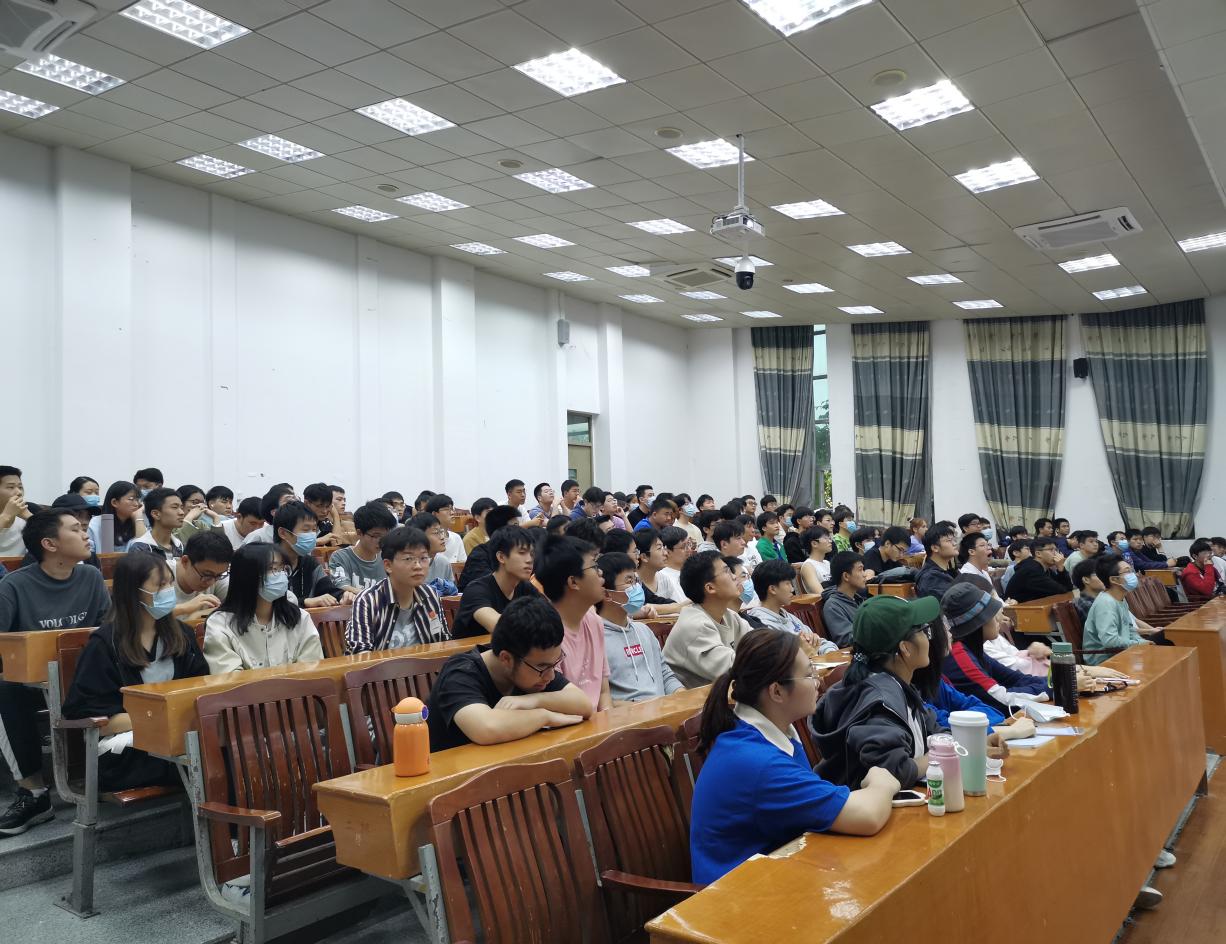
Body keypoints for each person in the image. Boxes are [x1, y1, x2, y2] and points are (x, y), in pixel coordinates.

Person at [690, 627, 897, 883]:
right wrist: (882, 782)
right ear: (776, 691)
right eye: (808, 674)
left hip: (777, 873)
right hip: (740, 896)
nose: (818, 681)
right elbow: (867, 816)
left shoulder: (772, 731)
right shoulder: (757, 762)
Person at [814, 595, 1003, 789]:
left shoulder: (898, 686)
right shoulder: (880, 702)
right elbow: (894, 772)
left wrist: (976, 743)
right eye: (924, 631)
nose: (929, 638)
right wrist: (937, 754)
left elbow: (936, 730)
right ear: (905, 648)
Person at [0, 509, 111, 835]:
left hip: (84, 677)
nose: (85, 534)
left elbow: (107, 631)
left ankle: (110, 772)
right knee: (4, 690)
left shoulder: (90, 577)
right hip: (30, 684)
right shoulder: (14, 586)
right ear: (49, 544)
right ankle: (33, 792)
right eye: (75, 529)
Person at [62, 553, 209, 792]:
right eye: (160, 585)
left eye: (170, 583)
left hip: (177, 735)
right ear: (133, 592)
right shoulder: (104, 644)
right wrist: (160, 720)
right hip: (123, 749)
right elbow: (94, 719)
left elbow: (200, 689)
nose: (168, 591)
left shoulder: (182, 635)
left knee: (224, 749)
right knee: (207, 758)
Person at [426, 595, 593, 751]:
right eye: (543, 667)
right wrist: (545, 716)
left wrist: (533, 700)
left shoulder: (533, 669)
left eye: (554, 665)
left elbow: (583, 704)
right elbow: (486, 728)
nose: (550, 676)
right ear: (506, 659)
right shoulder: (460, 672)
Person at [203, 543, 324, 673]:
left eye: (283, 568)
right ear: (247, 576)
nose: (281, 575)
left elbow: (312, 672)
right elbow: (230, 680)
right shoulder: (220, 624)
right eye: (272, 568)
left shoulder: (299, 618)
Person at [940, 583, 1049, 713]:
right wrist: (1055, 688)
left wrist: (1056, 682)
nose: (998, 618)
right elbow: (1003, 699)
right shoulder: (959, 655)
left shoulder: (972, 648)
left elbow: (1015, 678)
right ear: (978, 622)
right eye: (991, 613)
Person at [536, 534, 611, 712]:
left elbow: (603, 693)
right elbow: (558, 706)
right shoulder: (545, 633)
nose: (601, 573)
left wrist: (608, 722)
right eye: (594, 566)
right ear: (573, 581)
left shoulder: (594, 621)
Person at [596, 552, 684, 703]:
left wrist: (681, 695)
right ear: (607, 594)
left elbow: (666, 675)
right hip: (630, 715)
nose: (636, 587)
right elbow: (602, 700)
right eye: (629, 581)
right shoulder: (597, 639)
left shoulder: (644, 631)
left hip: (664, 710)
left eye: (636, 580)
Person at [346, 526, 448, 652]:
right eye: (408, 559)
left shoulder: (430, 594)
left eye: (423, 558)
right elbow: (360, 653)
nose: (418, 566)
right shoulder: (368, 601)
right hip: (381, 665)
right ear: (388, 565)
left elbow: (444, 641)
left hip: (427, 664)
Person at [662, 550, 752, 688]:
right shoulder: (694, 626)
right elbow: (733, 669)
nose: (735, 577)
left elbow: (760, 641)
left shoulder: (729, 615)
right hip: (692, 700)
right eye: (727, 571)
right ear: (710, 588)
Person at [451, 526, 539, 638]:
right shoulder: (476, 590)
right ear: (501, 557)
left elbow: (551, 618)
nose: (529, 560)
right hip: (474, 649)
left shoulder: (526, 588)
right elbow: (500, 627)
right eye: (522, 553)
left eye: (532, 554)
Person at [747, 559, 838, 654]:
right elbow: (783, 660)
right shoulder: (761, 626)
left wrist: (830, 652)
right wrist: (806, 652)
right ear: (772, 589)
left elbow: (819, 642)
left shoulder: (789, 616)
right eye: (788, 583)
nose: (792, 589)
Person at [273, 501, 352, 608]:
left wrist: (343, 596)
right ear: (283, 533)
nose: (311, 535)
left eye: (314, 530)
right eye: (306, 530)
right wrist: (305, 602)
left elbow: (329, 590)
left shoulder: (309, 563)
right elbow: (268, 603)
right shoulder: (267, 564)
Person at [18, 494, 103, 571]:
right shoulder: (34, 560)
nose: (85, 522)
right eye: (78, 515)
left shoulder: (90, 560)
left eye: (88, 517)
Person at [328, 502, 397, 594]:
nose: (381, 541)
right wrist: (374, 596)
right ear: (359, 533)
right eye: (376, 536)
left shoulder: (388, 557)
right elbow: (341, 586)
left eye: (385, 536)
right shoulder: (341, 557)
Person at [171, 530, 233, 623]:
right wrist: (183, 608)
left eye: (219, 575)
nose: (211, 582)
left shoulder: (217, 575)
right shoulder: (158, 575)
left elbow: (239, 607)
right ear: (185, 561)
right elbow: (149, 618)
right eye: (207, 575)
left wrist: (199, 615)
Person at [457, 505, 523, 591]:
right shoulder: (479, 555)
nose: (520, 530)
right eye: (515, 525)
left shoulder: (517, 552)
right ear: (501, 529)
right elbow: (491, 585)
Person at [126, 487, 185, 562]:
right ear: (156, 514)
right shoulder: (140, 548)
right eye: (174, 507)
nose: (182, 512)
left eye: (181, 507)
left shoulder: (180, 546)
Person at [88, 481, 149, 552]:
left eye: (137, 500)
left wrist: (138, 517)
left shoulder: (138, 522)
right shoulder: (95, 524)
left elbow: (145, 551)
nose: (136, 504)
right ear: (114, 502)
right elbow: (89, 553)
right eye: (131, 499)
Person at [820, 551, 865, 647]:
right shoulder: (832, 606)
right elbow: (845, 639)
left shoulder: (859, 599)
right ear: (846, 576)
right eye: (860, 570)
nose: (864, 574)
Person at [1007, 536, 1073, 602]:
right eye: (1051, 550)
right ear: (1038, 553)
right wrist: (1060, 566)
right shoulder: (1031, 570)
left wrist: (1061, 569)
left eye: (1056, 550)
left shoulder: (1045, 568)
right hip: (1018, 607)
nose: (1056, 554)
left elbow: (1068, 588)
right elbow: (1061, 590)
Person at [634, 529, 684, 616]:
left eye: (664, 547)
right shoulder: (631, 582)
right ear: (644, 557)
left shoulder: (664, 579)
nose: (665, 553)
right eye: (659, 548)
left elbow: (676, 606)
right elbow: (635, 609)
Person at [913, 524, 959, 602]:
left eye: (954, 540)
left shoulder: (944, 572)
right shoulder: (931, 578)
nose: (954, 543)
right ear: (935, 548)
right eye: (949, 540)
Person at [421, 494, 466, 564]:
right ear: (434, 514)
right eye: (447, 509)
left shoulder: (456, 538)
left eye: (452, 509)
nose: (452, 513)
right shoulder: (427, 539)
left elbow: (463, 564)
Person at [657, 525, 691, 603]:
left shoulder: (691, 571)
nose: (689, 549)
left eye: (689, 544)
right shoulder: (663, 577)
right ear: (667, 551)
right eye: (683, 547)